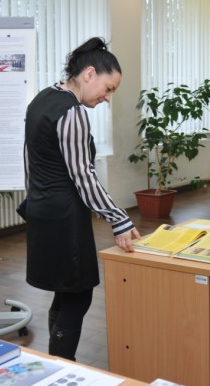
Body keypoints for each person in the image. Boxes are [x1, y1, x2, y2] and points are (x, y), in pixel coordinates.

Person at [23, 37, 141, 362]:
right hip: (64, 217)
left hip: (42, 211)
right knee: (77, 295)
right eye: (109, 88)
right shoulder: (72, 112)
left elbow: (30, 162)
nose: (107, 98)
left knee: (65, 292)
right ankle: (64, 366)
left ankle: (56, 361)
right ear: (89, 74)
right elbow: (84, 175)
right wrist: (120, 219)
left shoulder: (41, 99)